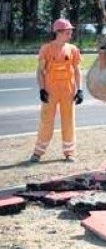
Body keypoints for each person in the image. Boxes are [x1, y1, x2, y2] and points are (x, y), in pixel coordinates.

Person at [30, 18, 83, 163]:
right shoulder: (46, 49)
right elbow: (40, 71)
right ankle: (38, 153)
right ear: (58, 32)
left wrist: (80, 90)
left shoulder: (73, 49)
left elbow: (77, 71)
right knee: (46, 121)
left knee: (68, 122)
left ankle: (69, 153)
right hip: (50, 92)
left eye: (71, 32)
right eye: (68, 32)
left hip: (68, 92)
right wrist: (42, 89)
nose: (70, 34)